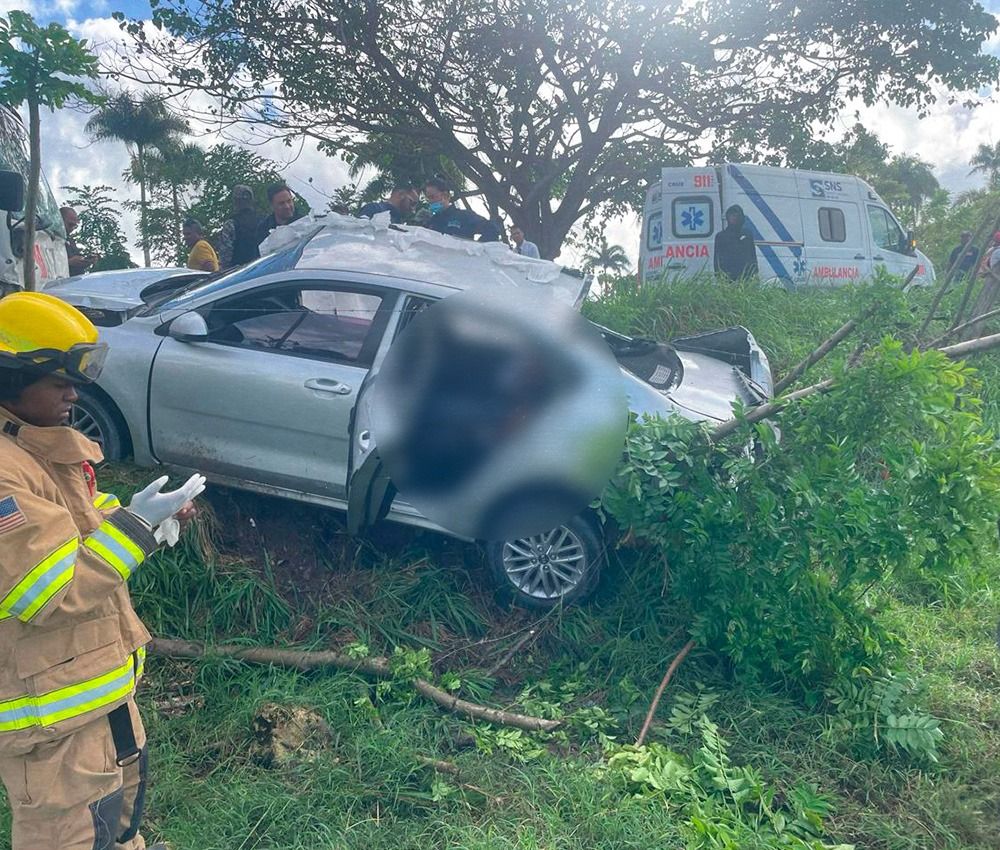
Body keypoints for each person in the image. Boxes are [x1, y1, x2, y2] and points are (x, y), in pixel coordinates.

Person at [0, 291, 205, 850]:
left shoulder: (34, 447)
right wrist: (134, 529)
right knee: (69, 836)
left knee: (118, 826)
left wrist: (135, 516)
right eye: (60, 382)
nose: (75, 393)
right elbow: (48, 589)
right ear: (11, 376)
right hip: (50, 723)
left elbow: (71, 530)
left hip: (95, 695)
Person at [423, 177, 501, 242]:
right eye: (428, 198)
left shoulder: (464, 216)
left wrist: (476, 248)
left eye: (432, 197)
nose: (430, 201)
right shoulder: (430, 222)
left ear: (445, 195)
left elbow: (492, 229)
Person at [214, 185, 261, 269]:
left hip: (239, 274)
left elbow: (225, 256)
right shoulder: (264, 221)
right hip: (262, 270)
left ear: (235, 201)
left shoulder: (230, 224)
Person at [713, 204, 758, 280]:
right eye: (731, 216)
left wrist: (755, 272)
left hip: (746, 278)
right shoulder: (721, 236)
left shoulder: (747, 234)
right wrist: (719, 276)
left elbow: (752, 255)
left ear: (741, 217)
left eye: (736, 215)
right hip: (728, 278)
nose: (733, 218)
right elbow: (717, 259)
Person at [256, 182, 301, 247]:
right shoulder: (263, 229)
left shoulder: (304, 223)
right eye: (281, 203)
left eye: (289, 201)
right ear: (271, 205)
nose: (287, 206)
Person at [60, 207, 98, 276]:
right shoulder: (49, 239)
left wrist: (86, 261)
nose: (72, 229)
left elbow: (76, 262)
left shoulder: (70, 241)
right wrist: (69, 262)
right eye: (70, 225)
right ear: (60, 220)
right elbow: (48, 265)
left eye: (75, 226)